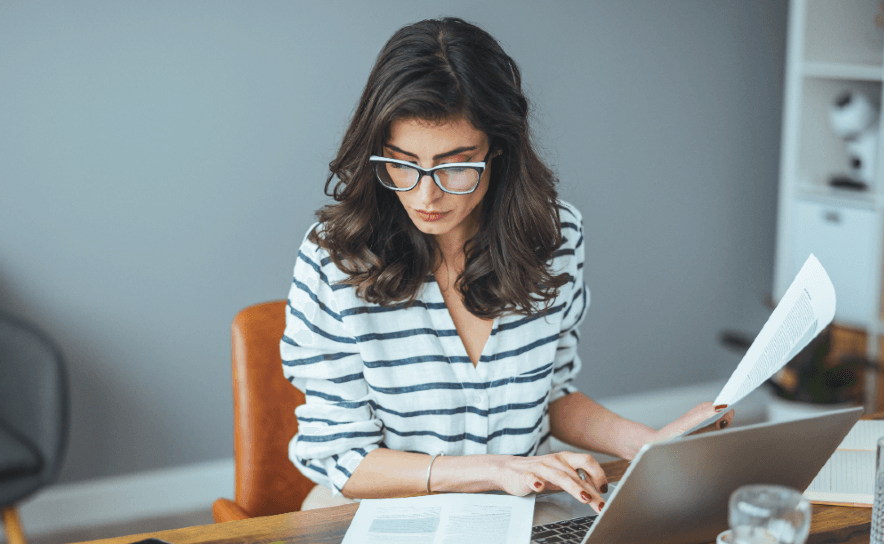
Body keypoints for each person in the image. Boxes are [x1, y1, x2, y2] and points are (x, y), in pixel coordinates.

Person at [281, 17, 732, 513]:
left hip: (517, 509)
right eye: (402, 163)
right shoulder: (336, 258)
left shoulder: (554, 238)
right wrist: (497, 470)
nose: (425, 194)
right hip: (381, 514)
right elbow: (345, 460)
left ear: (499, 147)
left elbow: (552, 394)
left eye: (456, 164)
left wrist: (645, 444)